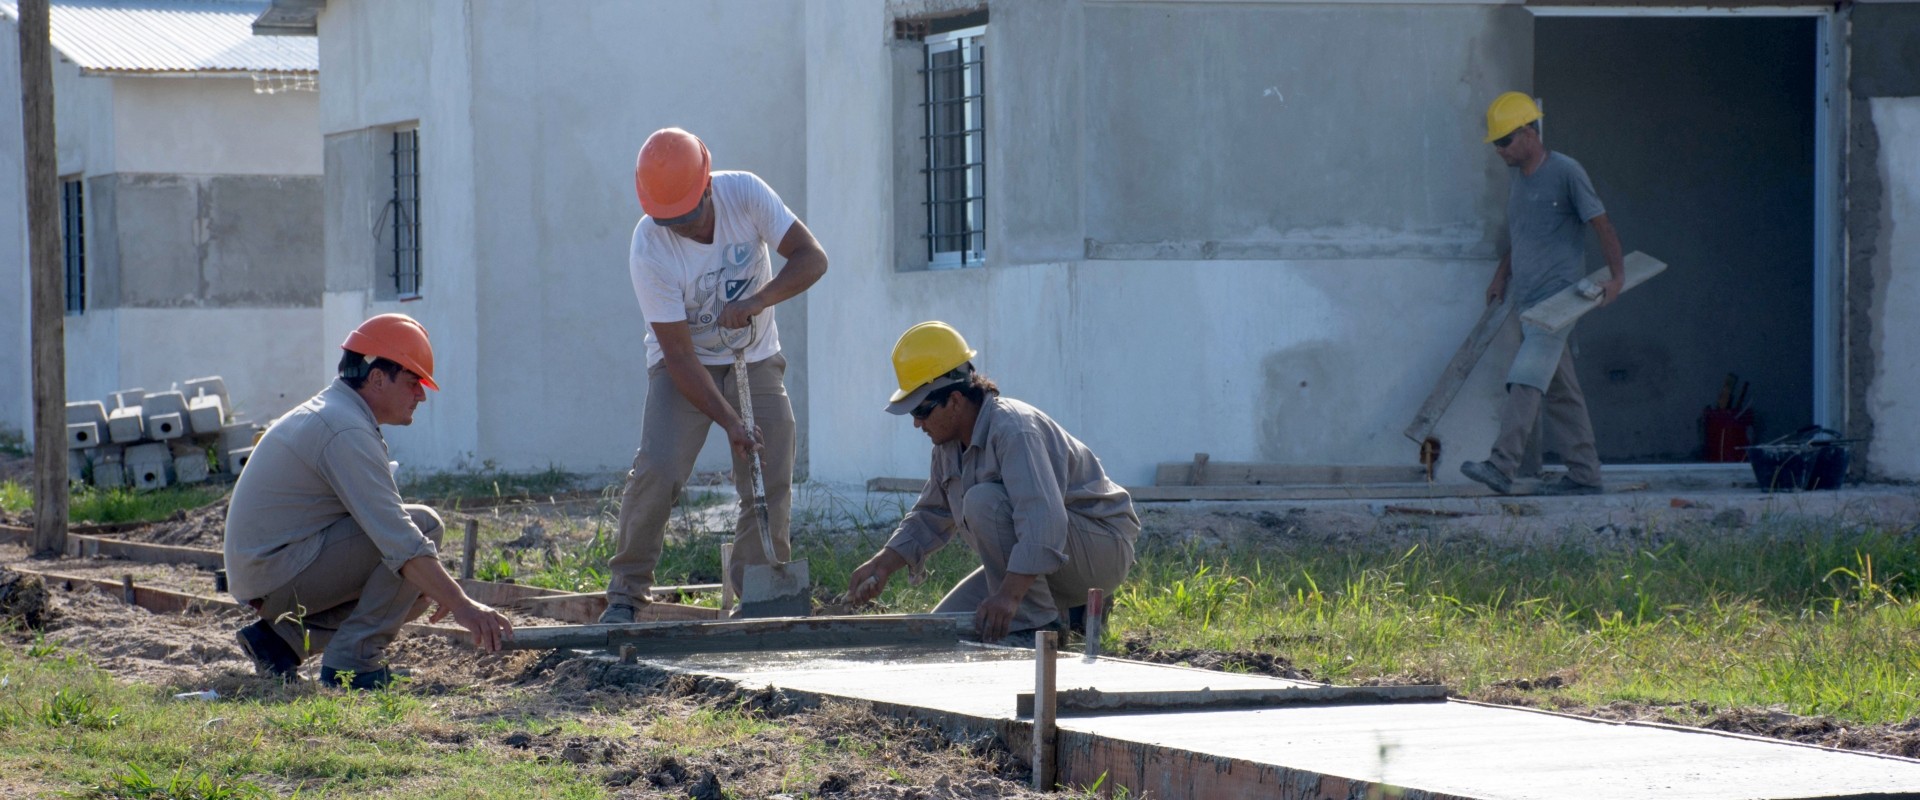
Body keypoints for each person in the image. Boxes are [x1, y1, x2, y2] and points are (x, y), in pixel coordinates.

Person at [601, 128, 829, 623]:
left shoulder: (744, 193)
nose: (681, 228)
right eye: (669, 221)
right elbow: (679, 357)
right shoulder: (649, 246)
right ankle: (625, 594)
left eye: (689, 215)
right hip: (684, 365)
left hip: (755, 354)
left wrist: (756, 301)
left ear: (708, 186)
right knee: (659, 469)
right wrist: (729, 421)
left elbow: (813, 259)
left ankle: (760, 597)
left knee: (770, 468)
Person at [224, 314, 514, 689]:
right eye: (413, 382)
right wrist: (463, 605)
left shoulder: (337, 413)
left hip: (271, 572)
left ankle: (280, 643)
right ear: (377, 377)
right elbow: (397, 537)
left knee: (414, 593)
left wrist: (437, 587)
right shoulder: (343, 428)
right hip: (277, 572)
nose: (421, 395)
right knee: (423, 529)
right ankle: (353, 667)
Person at [846, 322, 1140, 642]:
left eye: (922, 410)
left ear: (956, 400)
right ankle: (1066, 612)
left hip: (1100, 551)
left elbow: (1044, 521)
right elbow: (930, 515)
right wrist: (883, 564)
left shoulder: (1013, 429)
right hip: (1051, 558)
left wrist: (1009, 597)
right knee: (938, 634)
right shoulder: (947, 447)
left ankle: (1037, 628)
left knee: (982, 500)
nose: (917, 423)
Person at [1460, 92, 1626, 497]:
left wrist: (1617, 279)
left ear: (1530, 132)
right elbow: (1524, 237)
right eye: (1496, 144)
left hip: (1560, 299)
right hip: (1529, 299)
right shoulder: (1519, 181)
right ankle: (1585, 474)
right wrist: (1502, 275)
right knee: (1561, 391)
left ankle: (1502, 465)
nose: (1500, 151)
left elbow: (1601, 225)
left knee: (1527, 377)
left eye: (1505, 142)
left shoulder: (1567, 172)